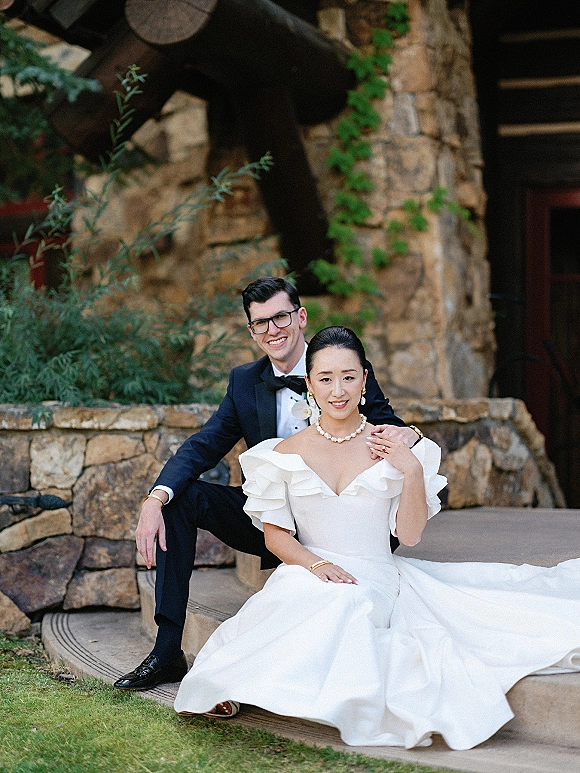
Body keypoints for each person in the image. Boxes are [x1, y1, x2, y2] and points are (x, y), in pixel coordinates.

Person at [173, 326, 580, 751]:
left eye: (348, 376)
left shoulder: (397, 447)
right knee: (297, 596)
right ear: (309, 384)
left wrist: (410, 471)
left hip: (376, 573)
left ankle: (297, 693)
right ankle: (232, 684)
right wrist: (316, 565)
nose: (338, 390)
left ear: (365, 379)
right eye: (326, 379)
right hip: (308, 566)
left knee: (351, 603)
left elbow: (411, 534)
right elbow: (276, 537)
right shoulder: (282, 453)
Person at [114, 278, 420, 691]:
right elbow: (204, 445)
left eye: (280, 316)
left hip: (343, 525)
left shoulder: (338, 366)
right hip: (275, 524)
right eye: (261, 323)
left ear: (301, 316)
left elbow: (390, 426)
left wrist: (412, 434)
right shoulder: (244, 381)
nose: (273, 330)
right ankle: (168, 650)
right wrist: (155, 496)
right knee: (179, 502)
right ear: (251, 331)